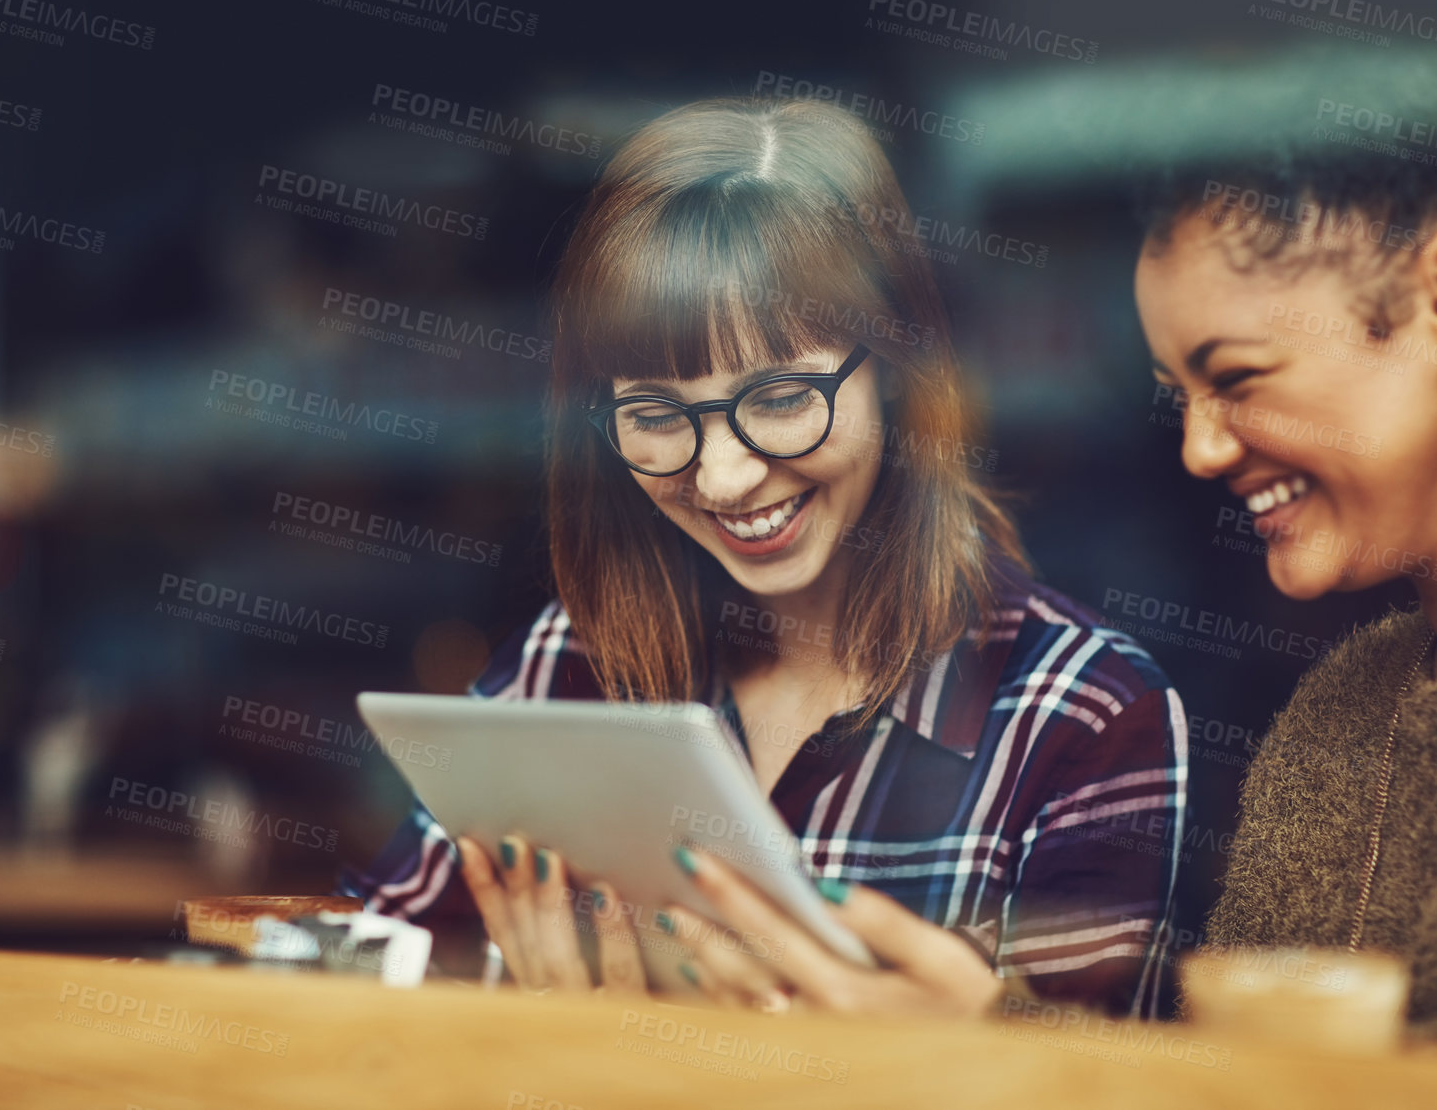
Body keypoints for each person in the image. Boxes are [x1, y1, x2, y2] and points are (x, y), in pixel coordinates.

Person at [343, 96, 1188, 1019]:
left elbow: (1101, 1083)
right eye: (659, 417)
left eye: (783, 397)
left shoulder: (1087, 717)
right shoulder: (568, 665)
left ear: (902, 372)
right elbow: (349, 993)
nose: (726, 476)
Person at [1132, 54, 1437, 1043]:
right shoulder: (1334, 710)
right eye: (1176, 398)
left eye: (1234, 375)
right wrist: (977, 1019)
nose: (1199, 448)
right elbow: (1223, 1074)